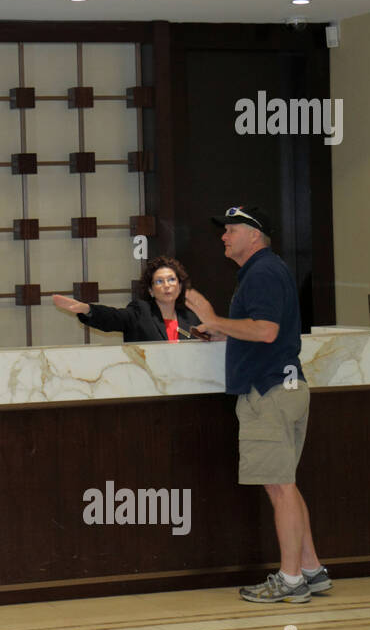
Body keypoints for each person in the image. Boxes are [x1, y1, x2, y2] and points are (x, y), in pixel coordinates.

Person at [183, 204, 329, 604]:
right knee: (286, 484)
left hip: (268, 393)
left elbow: (266, 331)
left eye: (231, 230)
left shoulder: (262, 272)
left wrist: (213, 319)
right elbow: (265, 332)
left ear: (254, 235)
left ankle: (291, 579)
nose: (224, 237)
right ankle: (312, 569)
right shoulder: (267, 270)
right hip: (285, 387)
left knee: (280, 487)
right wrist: (222, 334)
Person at [51, 256, 206, 342]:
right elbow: (114, 317)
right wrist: (87, 309)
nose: (167, 285)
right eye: (159, 281)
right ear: (151, 290)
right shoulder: (141, 311)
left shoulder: (191, 316)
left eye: (172, 280)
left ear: (180, 286)